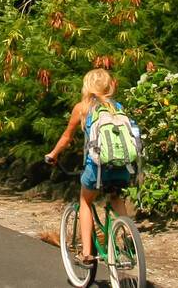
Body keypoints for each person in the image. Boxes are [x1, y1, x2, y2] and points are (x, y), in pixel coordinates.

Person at [44, 68, 135, 264]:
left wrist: (52, 155)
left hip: (97, 168)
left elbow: (67, 137)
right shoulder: (117, 107)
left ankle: (87, 253)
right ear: (109, 85)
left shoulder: (83, 107)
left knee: (85, 201)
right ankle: (129, 235)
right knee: (115, 196)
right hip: (123, 167)